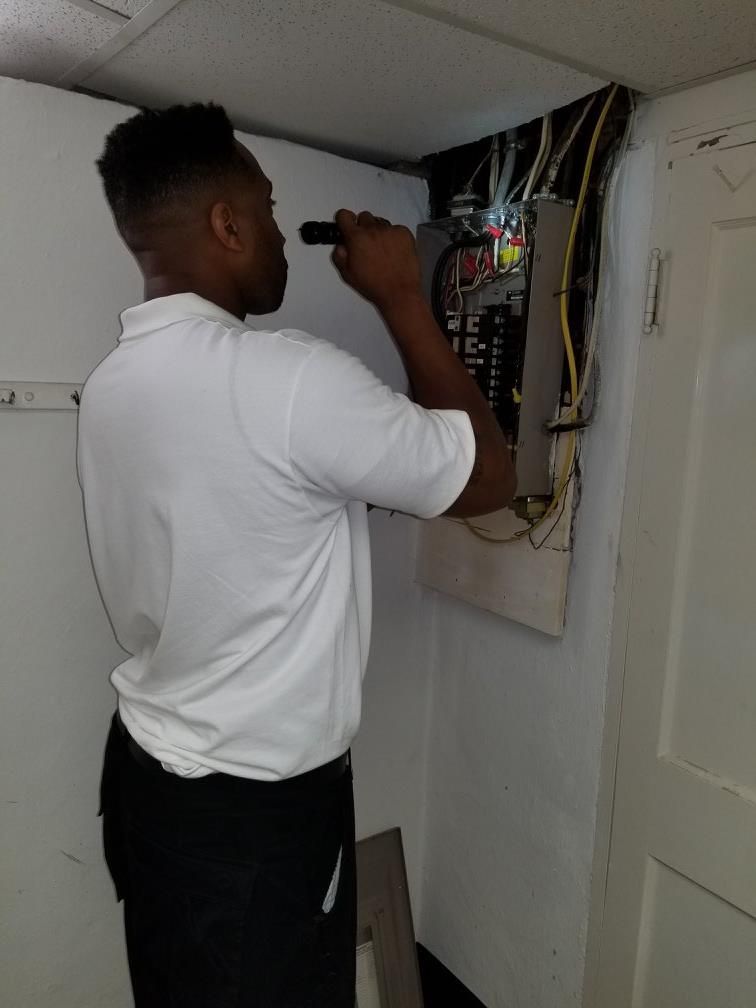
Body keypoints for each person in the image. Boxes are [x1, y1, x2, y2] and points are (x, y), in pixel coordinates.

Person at [78, 102, 515, 1008]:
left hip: (151, 779)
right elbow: (487, 478)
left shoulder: (114, 383)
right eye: (269, 210)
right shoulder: (288, 379)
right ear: (226, 224)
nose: (281, 234)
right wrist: (401, 293)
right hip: (255, 817)